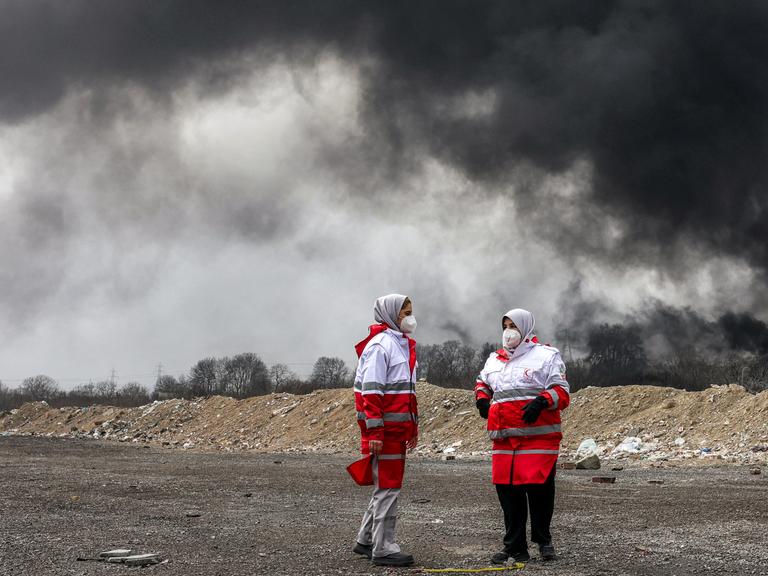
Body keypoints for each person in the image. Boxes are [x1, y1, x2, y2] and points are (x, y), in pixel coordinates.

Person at [474, 308, 570, 564]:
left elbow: (561, 390)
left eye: (514, 326)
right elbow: (483, 382)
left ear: (526, 328)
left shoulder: (546, 356)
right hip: (505, 439)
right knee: (508, 493)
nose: (509, 331)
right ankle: (515, 546)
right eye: (505, 325)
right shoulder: (494, 359)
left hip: (537, 438)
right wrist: (482, 398)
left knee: (539, 490)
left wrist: (542, 401)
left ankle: (543, 540)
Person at [351, 294, 419, 567]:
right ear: (391, 314)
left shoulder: (398, 344)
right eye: (405, 312)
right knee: (389, 488)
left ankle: (366, 540)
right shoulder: (382, 346)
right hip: (386, 432)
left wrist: (411, 429)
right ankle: (383, 548)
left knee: (384, 487)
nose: (410, 317)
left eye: (411, 311)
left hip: (395, 430)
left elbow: (406, 394)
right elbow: (371, 391)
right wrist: (375, 432)